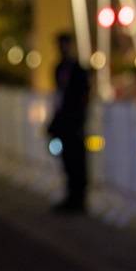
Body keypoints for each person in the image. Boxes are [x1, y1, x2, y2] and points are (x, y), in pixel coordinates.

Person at [47, 33, 91, 214]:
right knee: (66, 159)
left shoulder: (77, 70)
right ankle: (71, 197)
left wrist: (80, 118)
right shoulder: (58, 68)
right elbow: (58, 96)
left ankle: (78, 199)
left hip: (74, 123)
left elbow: (83, 95)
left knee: (76, 161)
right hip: (63, 122)